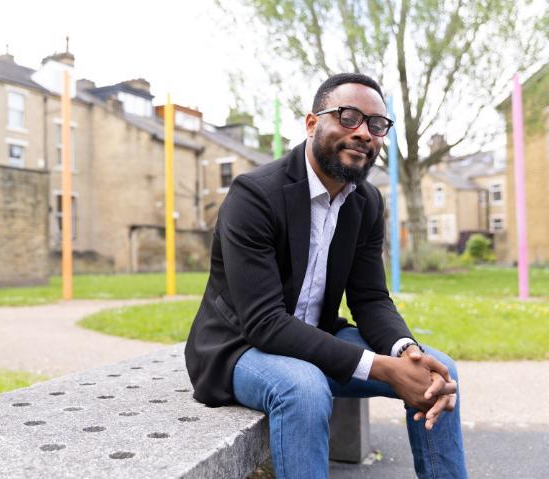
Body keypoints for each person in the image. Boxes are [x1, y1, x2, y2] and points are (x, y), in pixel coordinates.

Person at [184, 73, 467, 479]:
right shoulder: (254, 196)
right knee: (304, 388)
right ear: (312, 123)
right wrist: (383, 369)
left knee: (438, 370)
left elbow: (370, 299)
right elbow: (265, 323)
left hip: (316, 334)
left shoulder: (367, 202)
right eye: (348, 116)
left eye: (376, 124)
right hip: (240, 347)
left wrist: (405, 352)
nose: (364, 133)